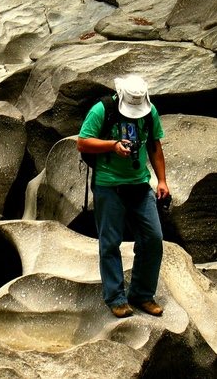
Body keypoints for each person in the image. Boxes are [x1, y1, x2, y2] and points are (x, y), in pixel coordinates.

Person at [77, 75, 169, 318]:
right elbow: (82, 142)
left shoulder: (150, 112)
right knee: (110, 243)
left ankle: (142, 294)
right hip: (109, 185)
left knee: (153, 239)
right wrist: (112, 145)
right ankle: (116, 298)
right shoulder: (102, 110)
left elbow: (154, 146)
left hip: (140, 184)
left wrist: (161, 180)